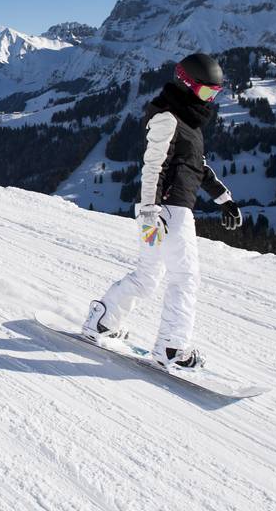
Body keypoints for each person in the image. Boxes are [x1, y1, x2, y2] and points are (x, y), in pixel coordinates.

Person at [82, 53, 242, 370]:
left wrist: (224, 198)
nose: (210, 99)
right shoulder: (168, 118)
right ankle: (172, 348)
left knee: (148, 277)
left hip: (161, 210)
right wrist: (150, 211)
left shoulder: (189, 122)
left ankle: (101, 321)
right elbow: (153, 166)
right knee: (185, 277)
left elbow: (199, 167)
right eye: (207, 92)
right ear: (187, 84)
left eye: (215, 93)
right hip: (169, 210)